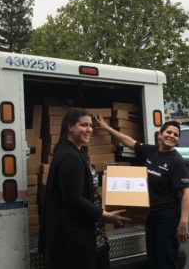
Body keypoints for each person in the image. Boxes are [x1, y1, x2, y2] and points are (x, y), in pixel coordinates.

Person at [95, 116, 189, 269]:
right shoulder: (151, 151)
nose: (172, 136)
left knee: (166, 259)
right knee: (152, 256)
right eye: (169, 132)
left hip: (168, 218)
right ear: (160, 135)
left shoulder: (177, 162)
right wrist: (107, 128)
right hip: (152, 215)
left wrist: (183, 222)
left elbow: (186, 194)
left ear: (178, 140)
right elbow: (129, 141)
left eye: (176, 135)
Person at [38, 107, 129, 269]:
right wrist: (104, 215)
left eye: (91, 125)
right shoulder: (69, 157)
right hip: (75, 238)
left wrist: (110, 175)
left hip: (88, 234)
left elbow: (85, 179)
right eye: (84, 125)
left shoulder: (74, 151)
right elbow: (73, 200)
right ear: (70, 127)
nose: (89, 129)